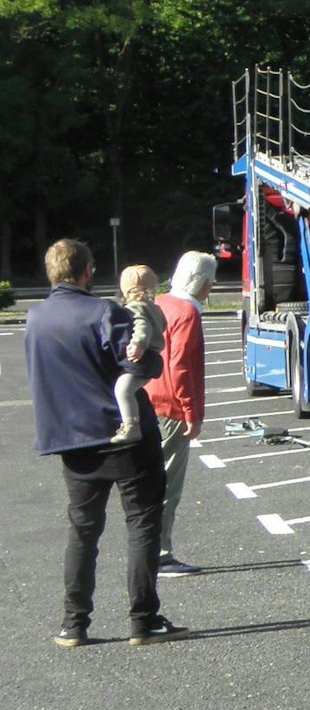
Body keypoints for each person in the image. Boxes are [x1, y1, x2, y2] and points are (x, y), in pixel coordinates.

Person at [24, 239, 190, 648]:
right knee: (142, 523)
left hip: (73, 439)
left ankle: (73, 624)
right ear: (87, 271)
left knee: (82, 530)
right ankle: (143, 620)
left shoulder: (35, 318)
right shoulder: (104, 312)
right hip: (125, 435)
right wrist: (151, 355)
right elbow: (140, 363)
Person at [147, 251, 216, 577]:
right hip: (172, 407)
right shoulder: (188, 313)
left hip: (148, 399)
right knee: (167, 485)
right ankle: (160, 554)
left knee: (148, 480)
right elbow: (182, 367)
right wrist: (192, 413)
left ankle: (148, 548)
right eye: (211, 283)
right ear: (202, 284)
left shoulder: (160, 302)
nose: (212, 289)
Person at [111, 265, 166, 445]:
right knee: (131, 389)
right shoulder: (154, 308)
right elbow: (162, 326)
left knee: (122, 389)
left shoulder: (135, 308)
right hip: (153, 358)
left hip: (142, 358)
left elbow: (143, 326)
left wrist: (138, 344)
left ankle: (131, 426)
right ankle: (131, 423)